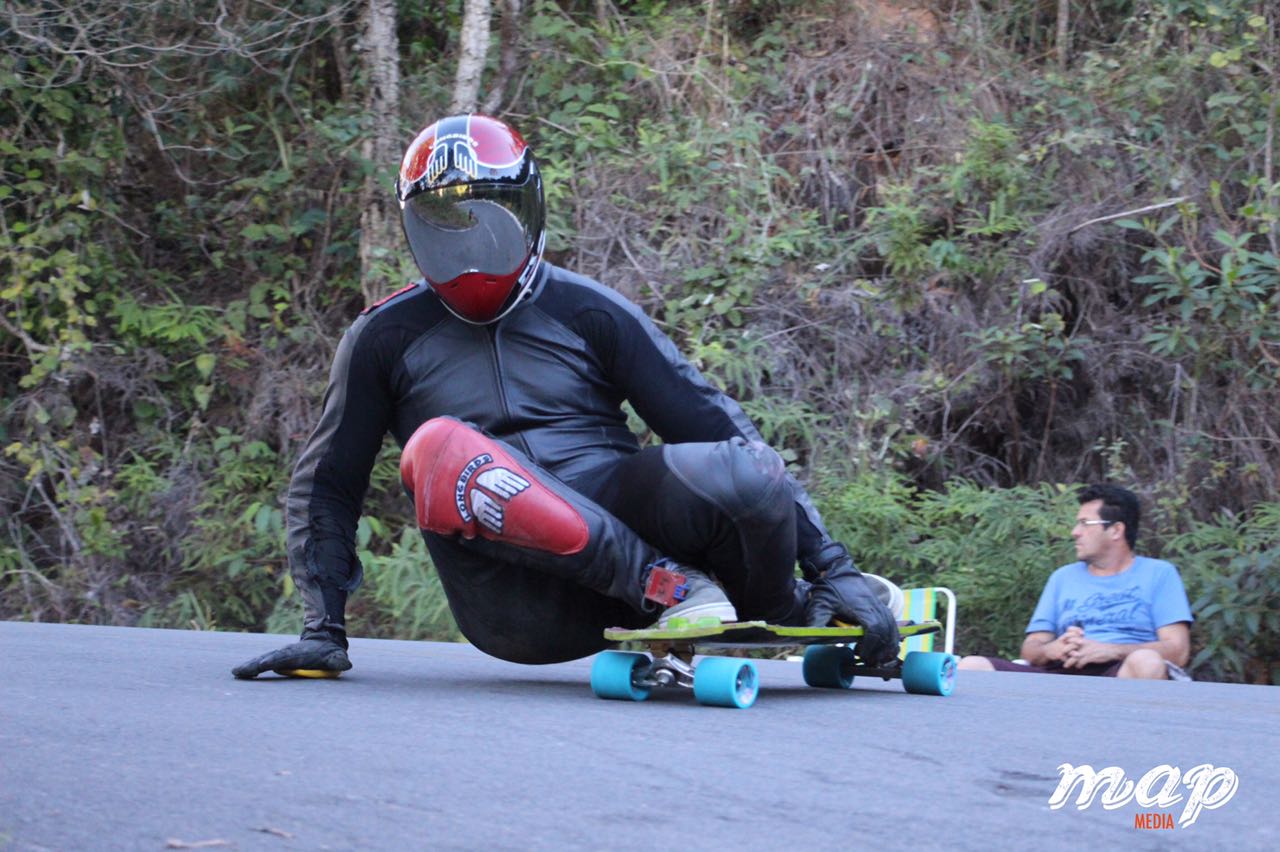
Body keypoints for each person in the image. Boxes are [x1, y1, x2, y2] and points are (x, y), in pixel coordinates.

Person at [232, 113, 901, 679]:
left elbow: (711, 422)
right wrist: (324, 627)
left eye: (489, 223)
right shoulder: (383, 336)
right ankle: (677, 590)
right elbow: (327, 484)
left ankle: (799, 603)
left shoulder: (588, 310)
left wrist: (832, 562)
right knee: (439, 447)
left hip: (628, 525)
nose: (469, 254)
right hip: (517, 598)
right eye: (445, 231)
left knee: (746, 468)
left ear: (530, 213)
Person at [957, 484, 1193, 680]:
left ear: (1115, 531)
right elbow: (1031, 648)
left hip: (1119, 674)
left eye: (1084, 524)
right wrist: (1051, 649)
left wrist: (1111, 651)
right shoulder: (1063, 577)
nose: (1074, 532)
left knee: (1146, 661)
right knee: (971, 666)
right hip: (1060, 673)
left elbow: (1178, 651)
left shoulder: (1159, 574)